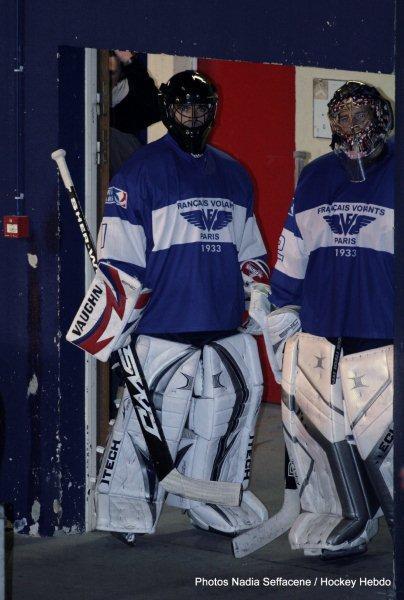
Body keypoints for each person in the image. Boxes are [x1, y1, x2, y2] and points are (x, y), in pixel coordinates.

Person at [67, 70, 270, 541]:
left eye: (201, 107)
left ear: (214, 109)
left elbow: (250, 251)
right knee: (151, 426)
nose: (193, 116)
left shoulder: (234, 174)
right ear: (167, 109)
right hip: (162, 327)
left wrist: (258, 297)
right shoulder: (139, 173)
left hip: (223, 325)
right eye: (183, 107)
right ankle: (126, 511)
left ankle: (208, 502)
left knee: (221, 420)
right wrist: (110, 328)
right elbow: (120, 261)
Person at [258, 81, 394, 558]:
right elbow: (292, 253)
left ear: (382, 118)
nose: (353, 128)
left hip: (383, 330)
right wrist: (280, 306)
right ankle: (351, 516)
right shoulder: (315, 177)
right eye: (343, 118)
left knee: (383, 441)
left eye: (362, 117)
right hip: (324, 330)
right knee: (329, 434)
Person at [109, 50, 161, 176]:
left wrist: (129, 61)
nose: (106, 78)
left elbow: (157, 107)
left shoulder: (130, 96)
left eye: (111, 73)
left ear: (121, 73)